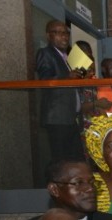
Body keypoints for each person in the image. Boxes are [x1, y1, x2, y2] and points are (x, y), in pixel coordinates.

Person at [35, 20, 83, 160]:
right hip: (57, 118)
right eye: (58, 33)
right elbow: (45, 80)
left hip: (70, 117)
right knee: (61, 161)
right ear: (48, 36)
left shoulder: (65, 56)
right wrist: (68, 76)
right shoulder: (45, 53)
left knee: (76, 159)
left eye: (66, 33)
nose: (64, 36)